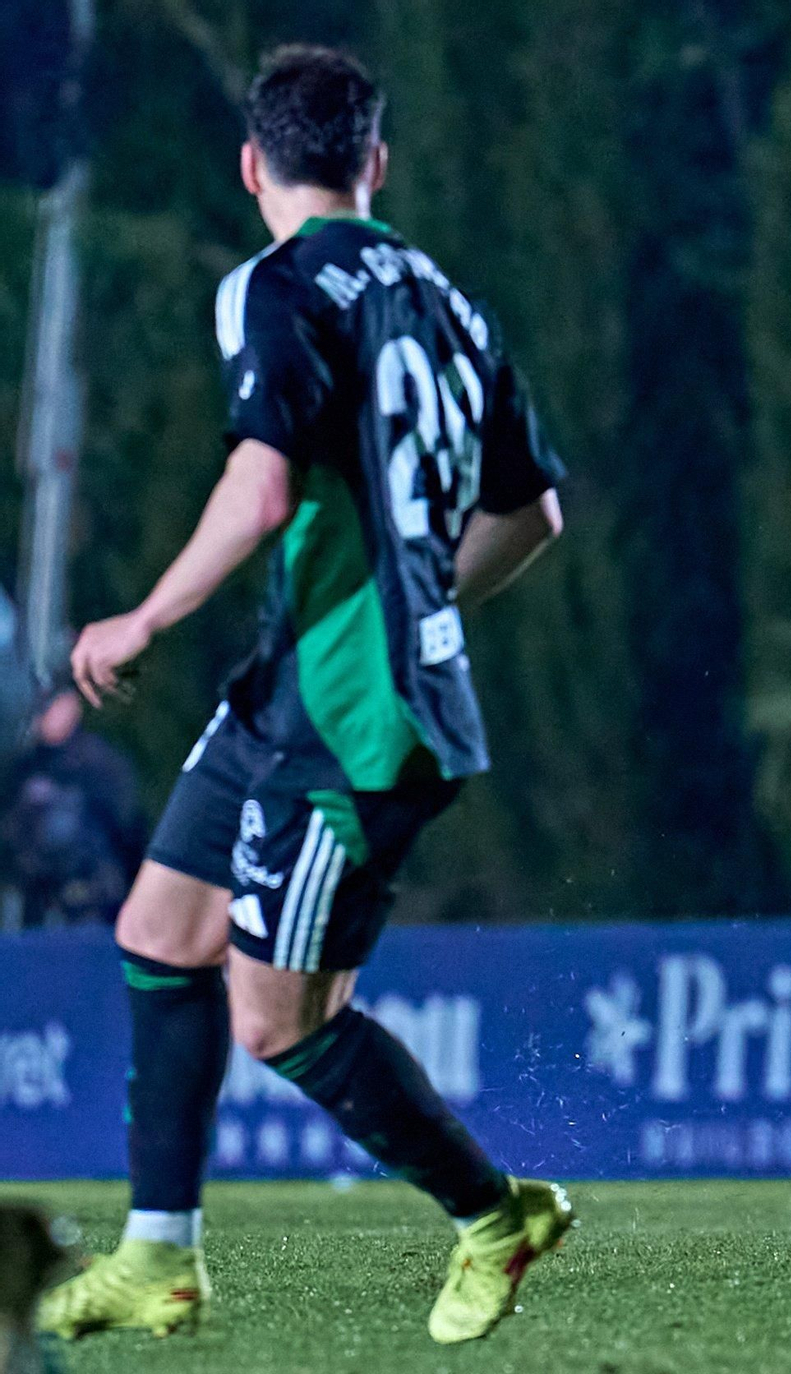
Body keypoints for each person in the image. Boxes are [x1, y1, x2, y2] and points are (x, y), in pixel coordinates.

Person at [39, 46, 567, 1345]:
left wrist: (145, 613)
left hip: (358, 717)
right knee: (161, 932)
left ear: (250, 166)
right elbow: (534, 512)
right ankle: (160, 1255)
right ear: (374, 165)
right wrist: (422, 595)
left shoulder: (272, 286)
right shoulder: (448, 296)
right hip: (296, 686)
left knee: (279, 1019)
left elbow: (262, 487)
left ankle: (495, 1214)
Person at [0, 684, 145, 929]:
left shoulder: (98, 759)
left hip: (94, 890)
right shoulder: (26, 766)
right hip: (36, 892)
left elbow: (124, 821)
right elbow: (11, 827)